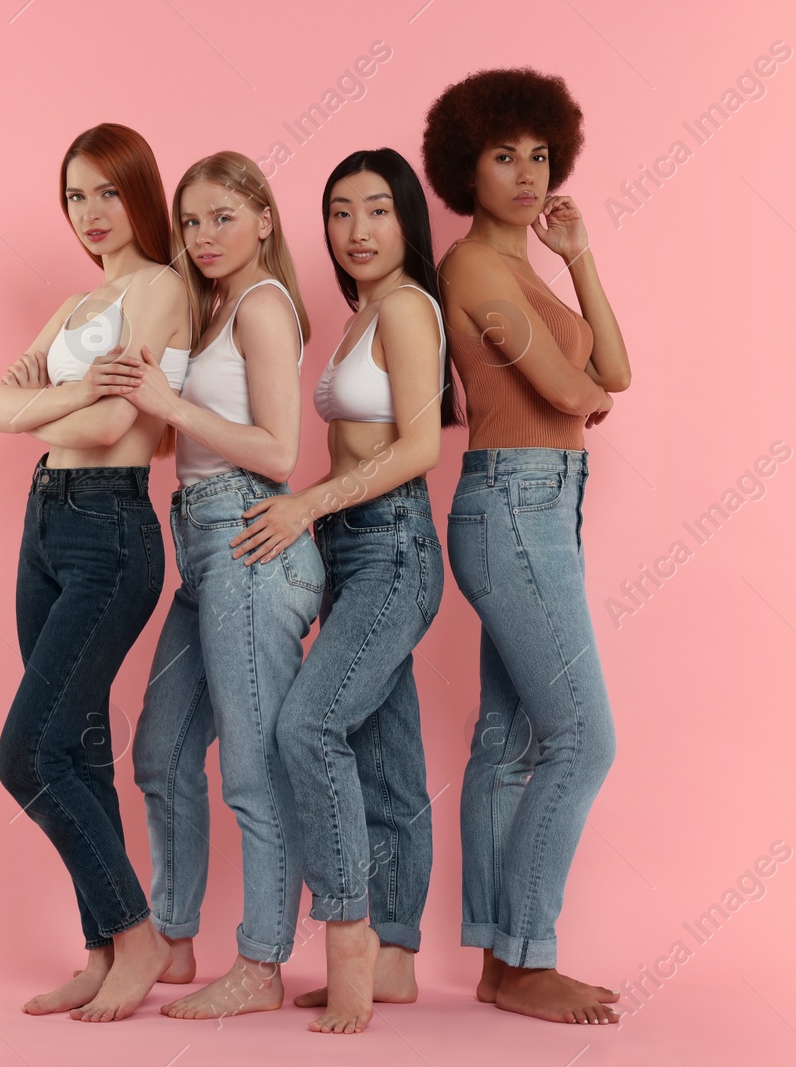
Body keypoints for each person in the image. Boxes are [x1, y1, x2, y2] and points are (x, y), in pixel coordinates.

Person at [422, 67, 633, 1025]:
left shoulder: (532, 267)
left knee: (509, 742)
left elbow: (617, 370)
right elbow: (570, 392)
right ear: (466, 169)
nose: (525, 173)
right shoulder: (470, 266)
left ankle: (502, 968)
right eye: (503, 156)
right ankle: (531, 950)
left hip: (546, 503)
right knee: (584, 739)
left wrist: (580, 257)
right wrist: (588, 387)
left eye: (539, 155)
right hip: (512, 501)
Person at [230, 148, 452, 1034]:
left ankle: (350, 935)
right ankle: (396, 955)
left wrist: (307, 505)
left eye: (377, 211)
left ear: (407, 221)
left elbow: (421, 446)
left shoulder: (404, 306)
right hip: (354, 549)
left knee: (309, 726)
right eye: (338, 213)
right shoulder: (363, 311)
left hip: (394, 546)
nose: (357, 231)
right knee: (386, 759)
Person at [101, 151, 326, 1020]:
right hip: (200, 538)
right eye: (190, 221)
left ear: (265, 219)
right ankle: (174, 931)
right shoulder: (216, 306)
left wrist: (169, 400)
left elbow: (278, 452)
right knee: (159, 752)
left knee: (252, 766)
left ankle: (261, 963)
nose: (202, 236)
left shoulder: (265, 307)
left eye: (222, 216)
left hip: (247, 533)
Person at [0, 122, 191, 1024]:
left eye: (107, 191)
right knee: (75, 750)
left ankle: (136, 934)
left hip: (110, 525)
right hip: (45, 523)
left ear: (140, 191)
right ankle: (103, 949)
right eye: (75, 196)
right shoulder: (75, 309)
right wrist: (71, 393)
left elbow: (115, 430)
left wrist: (44, 401)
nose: (91, 213)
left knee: (25, 754)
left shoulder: (163, 289)